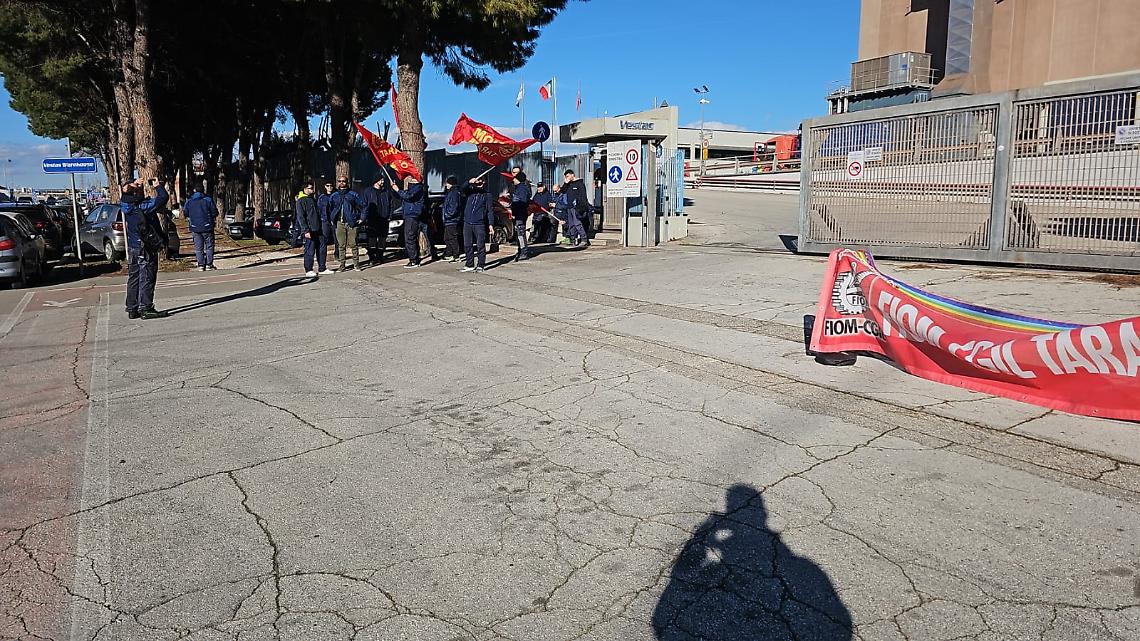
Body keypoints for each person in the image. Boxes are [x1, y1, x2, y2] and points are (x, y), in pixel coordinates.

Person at [121, 177, 169, 320]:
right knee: (147, 275)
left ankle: (132, 307)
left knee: (134, 276)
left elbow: (126, 190)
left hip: (133, 245)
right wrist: (157, 186)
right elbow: (163, 198)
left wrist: (134, 183)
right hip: (145, 246)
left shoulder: (125, 204)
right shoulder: (143, 206)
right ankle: (146, 307)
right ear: (136, 193)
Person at [392, 175, 431, 268]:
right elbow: (401, 196)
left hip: (413, 215)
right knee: (410, 237)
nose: (410, 179)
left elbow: (409, 196)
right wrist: (394, 189)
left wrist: (398, 190)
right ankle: (414, 258)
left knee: (410, 237)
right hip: (409, 215)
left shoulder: (418, 189)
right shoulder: (411, 189)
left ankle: (414, 260)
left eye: (412, 177)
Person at [328, 175, 364, 271]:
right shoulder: (334, 195)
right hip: (340, 223)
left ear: (347, 182)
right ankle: (342, 265)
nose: (341, 183)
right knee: (341, 245)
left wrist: (361, 218)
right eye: (339, 181)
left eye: (343, 181)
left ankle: (356, 264)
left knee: (353, 244)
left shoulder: (353, 194)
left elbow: (363, 206)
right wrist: (332, 218)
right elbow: (330, 207)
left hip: (352, 222)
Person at [295, 181, 330, 277]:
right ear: (305, 189)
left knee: (322, 248)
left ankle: (322, 267)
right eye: (310, 188)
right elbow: (301, 217)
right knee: (310, 249)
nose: (312, 190)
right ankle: (308, 269)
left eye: (312, 188)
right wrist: (305, 230)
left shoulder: (313, 199)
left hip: (318, 228)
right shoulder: (301, 201)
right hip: (310, 229)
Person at [460, 176, 495, 273]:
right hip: (467, 222)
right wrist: (469, 181)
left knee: (480, 245)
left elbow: (490, 211)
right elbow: (462, 188)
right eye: (479, 180)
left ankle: (481, 264)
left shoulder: (487, 195)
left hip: (479, 223)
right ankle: (469, 264)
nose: (480, 183)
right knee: (467, 244)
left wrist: (491, 224)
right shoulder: (470, 191)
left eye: (482, 181)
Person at [183, 183, 218, 271]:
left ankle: (201, 265)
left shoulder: (189, 201)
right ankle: (209, 264)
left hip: (195, 226)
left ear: (194, 190)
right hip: (207, 226)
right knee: (209, 246)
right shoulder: (208, 199)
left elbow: (185, 212)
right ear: (203, 190)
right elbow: (214, 212)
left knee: (198, 247)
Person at [362, 174, 394, 264]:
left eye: (383, 180)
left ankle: (380, 257)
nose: (383, 182)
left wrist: (389, 216)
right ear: (376, 181)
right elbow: (364, 205)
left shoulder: (386, 192)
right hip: (372, 219)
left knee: (382, 240)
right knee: (371, 239)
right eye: (381, 180)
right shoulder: (368, 192)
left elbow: (391, 204)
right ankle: (372, 257)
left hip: (384, 219)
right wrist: (365, 217)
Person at [563, 169, 592, 244]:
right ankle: (573, 239)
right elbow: (563, 191)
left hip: (576, 207)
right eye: (566, 177)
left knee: (577, 223)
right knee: (571, 224)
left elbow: (583, 196)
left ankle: (584, 239)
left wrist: (581, 207)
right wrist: (565, 183)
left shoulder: (579, 184)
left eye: (568, 176)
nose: (567, 178)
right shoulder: (568, 184)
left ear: (572, 175)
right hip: (569, 207)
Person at [509, 171, 532, 261]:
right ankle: (520, 250)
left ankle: (523, 252)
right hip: (518, 214)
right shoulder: (518, 188)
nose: (513, 180)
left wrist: (515, 206)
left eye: (514, 178)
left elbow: (522, 202)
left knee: (521, 234)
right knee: (519, 233)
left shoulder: (522, 189)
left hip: (520, 214)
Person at [441, 176, 463, 262]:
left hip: (451, 220)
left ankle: (456, 255)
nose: (446, 185)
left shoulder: (454, 193)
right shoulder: (451, 192)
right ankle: (449, 254)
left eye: (447, 183)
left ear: (451, 183)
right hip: (448, 220)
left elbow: (453, 207)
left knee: (452, 238)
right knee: (447, 238)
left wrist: (447, 215)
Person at [317, 180, 339, 263]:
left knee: (337, 239)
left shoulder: (336, 195)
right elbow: (319, 210)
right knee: (324, 240)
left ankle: (337, 255)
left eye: (331, 185)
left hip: (335, 221)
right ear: (325, 186)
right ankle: (322, 258)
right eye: (327, 185)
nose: (329, 187)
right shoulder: (321, 197)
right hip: (325, 221)